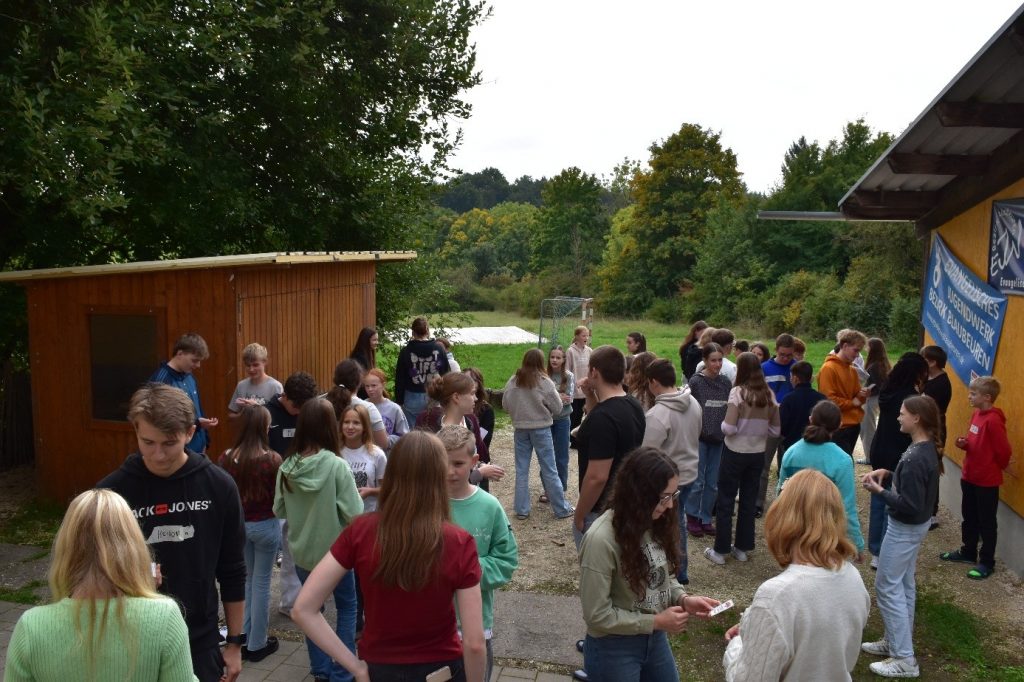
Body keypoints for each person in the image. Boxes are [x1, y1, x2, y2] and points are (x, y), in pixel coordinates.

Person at [291, 431, 486, 682]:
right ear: (439, 476)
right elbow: (474, 643)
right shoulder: (459, 541)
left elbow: (303, 609)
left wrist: (355, 667)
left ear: (392, 473)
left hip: (378, 670)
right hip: (441, 671)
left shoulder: (360, 531)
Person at [98, 383, 246, 682]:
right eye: (147, 442)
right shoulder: (112, 493)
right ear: (135, 431)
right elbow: (91, 573)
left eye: (169, 443)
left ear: (190, 433)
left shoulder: (219, 486)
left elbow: (232, 570)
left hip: (198, 641)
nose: (158, 455)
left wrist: (234, 643)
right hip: (128, 641)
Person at [4, 488, 195, 682]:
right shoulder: (164, 616)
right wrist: (147, 600)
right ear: (133, 546)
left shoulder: (31, 626)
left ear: (66, 547)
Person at [579, 447, 719, 682]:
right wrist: (656, 621)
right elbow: (596, 615)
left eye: (673, 495)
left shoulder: (653, 521)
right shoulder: (600, 540)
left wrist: (683, 599)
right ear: (639, 494)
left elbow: (663, 573)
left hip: (654, 638)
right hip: (613, 648)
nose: (670, 505)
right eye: (664, 497)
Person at [723, 469, 870, 681]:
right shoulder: (853, 578)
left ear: (783, 516)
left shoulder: (777, 596)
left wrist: (737, 645)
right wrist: (755, 626)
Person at [273, 398, 363, 682]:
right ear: (330, 427)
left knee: (312, 611)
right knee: (347, 607)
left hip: (302, 553)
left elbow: (279, 510)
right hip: (337, 556)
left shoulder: (287, 466)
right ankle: (344, 671)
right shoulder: (337, 466)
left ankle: (321, 671)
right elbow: (355, 513)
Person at [570, 345, 646, 682]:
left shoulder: (603, 418)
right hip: (626, 505)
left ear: (595, 372)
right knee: (617, 582)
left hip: (601, 511)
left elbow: (597, 476)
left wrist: (579, 513)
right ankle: (599, 645)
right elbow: (593, 421)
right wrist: (589, 397)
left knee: (598, 589)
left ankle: (599, 658)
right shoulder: (632, 406)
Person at [860, 395, 942, 679]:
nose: (898, 417)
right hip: (911, 527)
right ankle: (894, 641)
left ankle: (905, 659)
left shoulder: (918, 456)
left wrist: (880, 491)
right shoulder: (922, 448)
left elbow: (911, 504)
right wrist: (891, 474)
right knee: (904, 584)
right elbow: (913, 487)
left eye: (903, 413)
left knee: (886, 585)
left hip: (904, 529)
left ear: (916, 418)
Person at [440, 424, 519, 682]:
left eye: (458, 464)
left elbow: (506, 560)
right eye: (443, 463)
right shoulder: (425, 504)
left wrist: (464, 572)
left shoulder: (489, 506)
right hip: (431, 625)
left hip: (474, 626)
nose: (449, 471)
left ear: (474, 462)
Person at [218, 405, 283, 662]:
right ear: (264, 428)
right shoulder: (272, 459)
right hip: (266, 525)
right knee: (262, 583)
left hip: (239, 527)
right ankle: (257, 644)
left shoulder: (226, 457)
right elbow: (279, 497)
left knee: (245, 581)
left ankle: (242, 637)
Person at [705, 352, 780, 566]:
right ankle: (742, 548)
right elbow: (775, 431)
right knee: (748, 501)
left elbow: (728, 428)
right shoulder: (769, 394)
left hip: (734, 451)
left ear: (742, 370)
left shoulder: (737, 392)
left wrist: (727, 425)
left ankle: (720, 551)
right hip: (757, 454)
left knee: (726, 500)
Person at [940, 376, 1012, 580]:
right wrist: (964, 444)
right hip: (969, 475)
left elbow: (1003, 450)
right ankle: (968, 551)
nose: (969, 396)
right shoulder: (976, 415)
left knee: (986, 522)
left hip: (986, 480)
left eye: (973, 394)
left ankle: (987, 562)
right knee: (969, 516)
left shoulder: (994, 420)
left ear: (987, 397)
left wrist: (998, 465)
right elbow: (976, 441)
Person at [777, 400, 865, 557]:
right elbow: (847, 507)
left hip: (796, 531)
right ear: (839, 425)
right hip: (827, 536)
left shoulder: (791, 453)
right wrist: (856, 544)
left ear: (810, 419)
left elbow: (781, 494)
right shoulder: (842, 460)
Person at [264, 371, 318, 618]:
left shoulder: (309, 414)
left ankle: (293, 602)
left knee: (294, 549)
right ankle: (263, 606)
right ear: (284, 396)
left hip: (300, 492)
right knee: (271, 551)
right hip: (273, 494)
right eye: (296, 407)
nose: (298, 413)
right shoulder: (267, 414)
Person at [642, 359, 701, 584]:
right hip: (690, 472)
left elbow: (647, 455)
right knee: (678, 521)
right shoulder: (693, 402)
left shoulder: (657, 415)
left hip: (667, 482)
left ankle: (674, 572)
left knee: (666, 525)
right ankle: (679, 570)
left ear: (654, 382)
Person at [867, 353, 928, 568]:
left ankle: (875, 550)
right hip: (897, 451)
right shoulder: (911, 397)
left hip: (879, 448)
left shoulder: (887, 389)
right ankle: (886, 550)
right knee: (891, 501)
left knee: (878, 498)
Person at [503, 348, 575, 520]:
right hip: (541, 429)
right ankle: (561, 508)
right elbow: (558, 408)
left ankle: (522, 509)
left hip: (520, 429)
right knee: (550, 469)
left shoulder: (513, 381)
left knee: (521, 469)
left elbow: (505, 405)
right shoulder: (545, 382)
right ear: (541, 362)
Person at [684, 342, 732, 537]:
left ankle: (705, 517)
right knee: (698, 480)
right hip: (700, 437)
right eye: (713, 360)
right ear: (705, 360)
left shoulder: (726, 382)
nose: (717, 364)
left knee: (712, 482)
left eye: (720, 360)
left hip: (718, 438)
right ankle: (692, 515)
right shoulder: (696, 382)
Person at [149, 332, 218, 453]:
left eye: (199, 361)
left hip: (198, 449)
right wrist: (197, 424)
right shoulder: (161, 380)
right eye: (194, 360)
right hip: (178, 451)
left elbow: (198, 408)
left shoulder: (190, 377)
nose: (198, 365)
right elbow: (160, 419)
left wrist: (205, 440)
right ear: (180, 353)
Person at [417, 372, 493, 477]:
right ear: (456, 397)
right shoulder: (434, 431)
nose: (475, 398)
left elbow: (479, 454)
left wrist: (481, 465)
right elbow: (444, 477)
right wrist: (478, 474)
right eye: (472, 393)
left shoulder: (471, 421)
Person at [757, 333, 797, 514]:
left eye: (789, 355)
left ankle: (786, 502)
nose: (786, 359)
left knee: (787, 465)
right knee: (763, 465)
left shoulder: (796, 367)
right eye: (782, 355)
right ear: (776, 350)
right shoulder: (764, 368)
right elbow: (758, 394)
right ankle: (758, 502)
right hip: (769, 422)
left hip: (790, 423)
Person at [818, 329, 869, 456]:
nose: (857, 355)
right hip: (838, 426)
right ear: (845, 346)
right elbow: (829, 401)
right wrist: (852, 403)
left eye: (859, 351)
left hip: (853, 424)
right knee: (842, 462)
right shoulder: (828, 368)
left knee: (846, 459)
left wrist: (862, 395)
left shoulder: (852, 370)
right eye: (855, 350)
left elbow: (856, 397)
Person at [394, 317, 451, 426]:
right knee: (434, 426)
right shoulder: (439, 349)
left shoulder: (406, 351)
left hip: (412, 395)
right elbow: (446, 373)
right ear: (428, 331)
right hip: (434, 394)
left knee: (413, 428)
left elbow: (400, 378)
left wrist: (399, 400)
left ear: (413, 332)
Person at [326, 359, 389, 452]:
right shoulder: (369, 408)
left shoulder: (322, 404)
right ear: (359, 381)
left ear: (335, 379)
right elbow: (383, 444)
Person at [920, 345, 952, 529]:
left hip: (935, 429)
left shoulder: (941, 383)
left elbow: (930, 407)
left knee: (932, 469)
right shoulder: (927, 377)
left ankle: (932, 513)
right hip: (925, 427)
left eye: (924, 359)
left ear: (932, 362)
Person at [339, 404, 387, 513]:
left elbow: (387, 489)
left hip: (368, 514)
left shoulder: (377, 454)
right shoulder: (335, 453)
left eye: (356, 423)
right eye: (346, 422)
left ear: (365, 426)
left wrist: (370, 491)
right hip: (341, 516)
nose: (350, 427)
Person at [778, 361, 827, 456]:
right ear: (811, 378)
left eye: (791, 377)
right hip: (816, 445)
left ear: (795, 378)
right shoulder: (822, 398)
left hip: (792, 446)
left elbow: (782, 425)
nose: (790, 380)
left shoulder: (788, 399)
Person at [546, 346, 576, 493]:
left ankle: (561, 488)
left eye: (558, 357)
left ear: (563, 360)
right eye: (552, 357)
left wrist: (551, 397)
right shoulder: (544, 375)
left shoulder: (569, 376)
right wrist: (559, 396)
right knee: (547, 455)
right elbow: (540, 398)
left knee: (562, 455)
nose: (555, 360)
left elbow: (569, 398)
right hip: (546, 420)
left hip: (563, 420)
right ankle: (548, 488)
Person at [228, 342, 284, 418]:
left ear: (265, 362)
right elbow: (231, 414)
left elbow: (281, 416)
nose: (251, 369)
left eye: (255, 365)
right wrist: (241, 415)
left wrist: (255, 408)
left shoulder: (275, 386)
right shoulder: (241, 386)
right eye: (248, 365)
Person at [859, 337, 892, 461]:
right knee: (870, 427)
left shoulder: (874, 366)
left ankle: (869, 457)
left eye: (868, 346)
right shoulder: (883, 364)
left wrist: (868, 389)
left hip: (871, 399)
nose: (865, 348)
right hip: (876, 399)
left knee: (867, 429)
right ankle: (872, 455)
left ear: (872, 348)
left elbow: (879, 385)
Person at [362, 368, 409, 450]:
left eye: (374, 385)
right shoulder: (361, 406)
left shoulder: (394, 409)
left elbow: (404, 436)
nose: (370, 389)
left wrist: (385, 440)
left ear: (383, 385)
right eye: (367, 386)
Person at [566, 325, 593, 445]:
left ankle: (584, 438)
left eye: (587, 335)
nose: (586, 338)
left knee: (588, 415)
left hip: (586, 390)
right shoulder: (570, 351)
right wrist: (572, 385)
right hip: (575, 390)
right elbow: (567, 370)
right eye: (583, 335)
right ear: (577, 336)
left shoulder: (589, 351)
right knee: (575, 415)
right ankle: (572, 439)